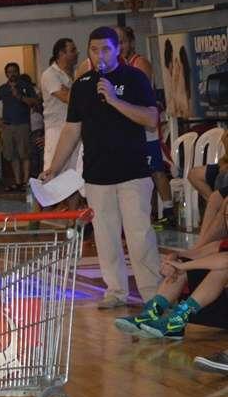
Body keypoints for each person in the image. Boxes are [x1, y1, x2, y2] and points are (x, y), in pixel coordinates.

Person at [41, 26, 162, 309]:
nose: (100, 56)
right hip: (97, 173)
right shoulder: (82, 85)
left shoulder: (135, 78)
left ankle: (152, 293)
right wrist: (54, 167)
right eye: (94, 50)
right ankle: (116, 291)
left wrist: (115, 100)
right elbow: (72, 129)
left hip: (132, 171)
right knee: (105, 237)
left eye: (106, 49)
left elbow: (150, 118)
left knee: (139, 235)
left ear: (118, 49)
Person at [118, 26, 174, 227]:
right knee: (136, 172)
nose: (119, 47)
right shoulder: (117, 66)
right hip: (129, 126)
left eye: (123, 42)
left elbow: (136, 93)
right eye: (116, 43)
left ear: (131, 43)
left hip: (145, 125)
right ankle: (144, 214)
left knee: (155, 169)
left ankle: (169, 210)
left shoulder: (140, 63)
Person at [40, 38, 82, 209]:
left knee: (74, 175)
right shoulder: (50, 75)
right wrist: (81, 90)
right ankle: (34, 217)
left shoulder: (76, 74)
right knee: (50, 174)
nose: (77, 53)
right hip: (56, 130)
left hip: (75, 128)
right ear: (61, 54)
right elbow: (67, 97)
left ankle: (73, 219)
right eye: (72, 50)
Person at [0, 62, 38, 191]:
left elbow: (34, 102)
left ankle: (26, 182)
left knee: (25, 154)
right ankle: (18, 182)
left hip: (22, 124)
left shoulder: (25, 86)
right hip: (7, 126)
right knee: (12, 155)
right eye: (9, 72)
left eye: (14, 71)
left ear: (18, 72)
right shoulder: (3, 88)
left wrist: (19, 96)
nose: (12, 74)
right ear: (6, 74)